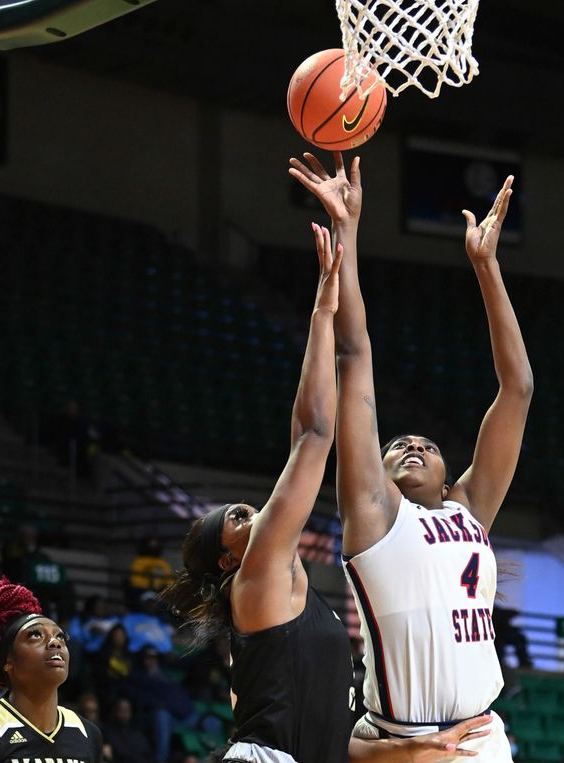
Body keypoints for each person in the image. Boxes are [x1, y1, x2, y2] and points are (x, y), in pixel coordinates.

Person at [163, 225, 489, 763]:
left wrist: (408, 749)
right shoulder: (257, 576)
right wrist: (320, 316)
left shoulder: (300, 605)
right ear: (229, 557)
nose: (260, 512)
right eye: (241, 517)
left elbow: (331, 736)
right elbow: (312, 435)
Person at [289, 153, 533, 759]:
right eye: (399, 444)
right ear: (383, 468)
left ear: (451, 473)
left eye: (428, 445)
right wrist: (347, 231)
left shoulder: (470, 510)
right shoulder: (374, 513)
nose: (415, 445)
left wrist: (486, 267)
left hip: (481, 736)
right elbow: (355, 351)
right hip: (404, 743)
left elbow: (518, 388)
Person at [0, 577, 102, 762]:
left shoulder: (87, 734)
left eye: (60, 636)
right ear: (7, 661)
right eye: (35, 635)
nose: (55, 642)